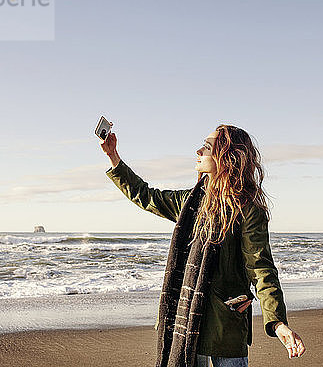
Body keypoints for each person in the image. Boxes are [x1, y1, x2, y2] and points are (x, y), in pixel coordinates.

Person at [100, 123, 305, 367]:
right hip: (185, 321)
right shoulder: (191, 202)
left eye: (207, 147)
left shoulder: (248, 209)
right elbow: (146, 196)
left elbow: (260, 268)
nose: (198, 151)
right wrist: (113, 156)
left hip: (225, 324)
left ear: (226, 157)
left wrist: (277, 322)